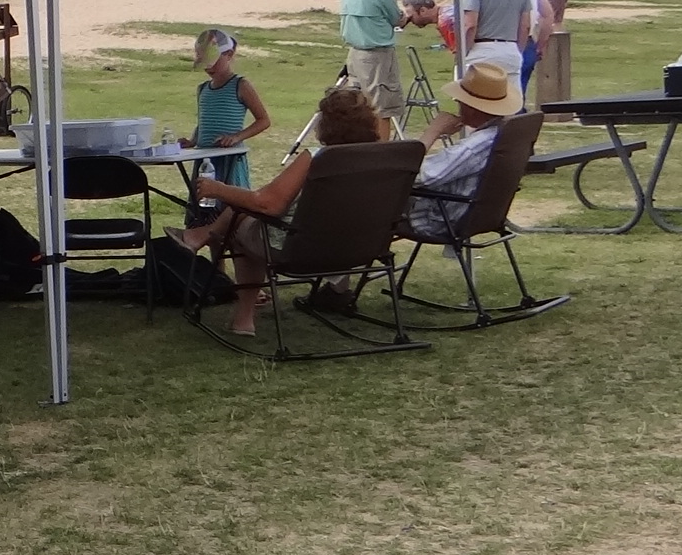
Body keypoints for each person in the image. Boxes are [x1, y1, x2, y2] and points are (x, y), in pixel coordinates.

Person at [175, 85, 381, 335]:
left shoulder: (319, 158)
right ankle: (201, 236)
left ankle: (243, 318)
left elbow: (268, 203)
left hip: (300, 249)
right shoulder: (383, 157)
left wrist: (218, 190)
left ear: (326, 124)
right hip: (362, 246)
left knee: (241, 221)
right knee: (245, 210)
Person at [405, 61, 522, 239]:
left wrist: (433, 131)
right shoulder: (506, 134)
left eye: (460, 101)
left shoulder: (475, 146)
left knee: (374, 197)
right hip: (483, 215)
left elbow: (415, 176)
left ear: (471, 108)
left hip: (441, 219)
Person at [339, 0, 405, 137]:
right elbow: (396, 19)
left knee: (358, 105)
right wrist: (406, 16)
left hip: (355, 51)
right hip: (378, 54)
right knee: (380, 108)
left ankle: (360, 147)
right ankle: (380, 153)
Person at [188, 29, 267, 187]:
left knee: (231, 203)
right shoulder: (203, 89)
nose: (209, 68)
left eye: (214, 61)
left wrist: (237, 137)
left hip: (230, 158)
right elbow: (204, 121)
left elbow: (263, 120)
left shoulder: (241, 85)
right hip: (205, 159)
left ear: (229, 55)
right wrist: (192, 141)